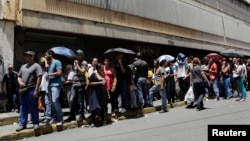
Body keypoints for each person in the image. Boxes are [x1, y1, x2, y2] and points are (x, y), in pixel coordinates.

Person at [16, 51, 42, 132]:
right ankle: (22, 124)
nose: (25, 57)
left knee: (33, 107)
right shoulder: (23, 66)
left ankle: (35, 123)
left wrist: (36, 89)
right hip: (23, 90)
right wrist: (20, 82)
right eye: (25, 56)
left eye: (27, 56)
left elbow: (39, 77)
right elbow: (19, 77)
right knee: (23, 107)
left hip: (31, 89)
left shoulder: (36, 66)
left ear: (32, 57)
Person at [65, 49, 88, 122]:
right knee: (72, 100)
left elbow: (82, 72)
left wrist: (77, 64)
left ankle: (82, 115)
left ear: (82, 55)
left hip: (81, 84)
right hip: (74, 84)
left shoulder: (84, 62)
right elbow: (75, 72)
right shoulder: (75, 63)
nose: (77, 56)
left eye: (79, 54)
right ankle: (72, 116)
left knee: (80, 101)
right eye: (76, 54)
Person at [45, 50, 63, 127]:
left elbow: (59, 72)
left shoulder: (57, 62)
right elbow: (47, 69)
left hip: (56, 85)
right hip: (50, 84)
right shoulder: (49, 64)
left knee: (55, 101)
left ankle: (60, 119)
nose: (45, 56)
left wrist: (49, 74)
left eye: (46, 55)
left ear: (51, 55)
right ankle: (54, 118)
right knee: (52, 102)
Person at [39, 57, 52, 123]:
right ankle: (46, 115)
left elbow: (47, 67)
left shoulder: (48, 71)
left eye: (43, 64)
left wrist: (46, 62)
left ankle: (48, 116)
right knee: (44, 103)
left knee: (48, 102)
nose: (42, 66)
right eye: (41, 65)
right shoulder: (41, 72)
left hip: (47, 89)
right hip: (42, 89)